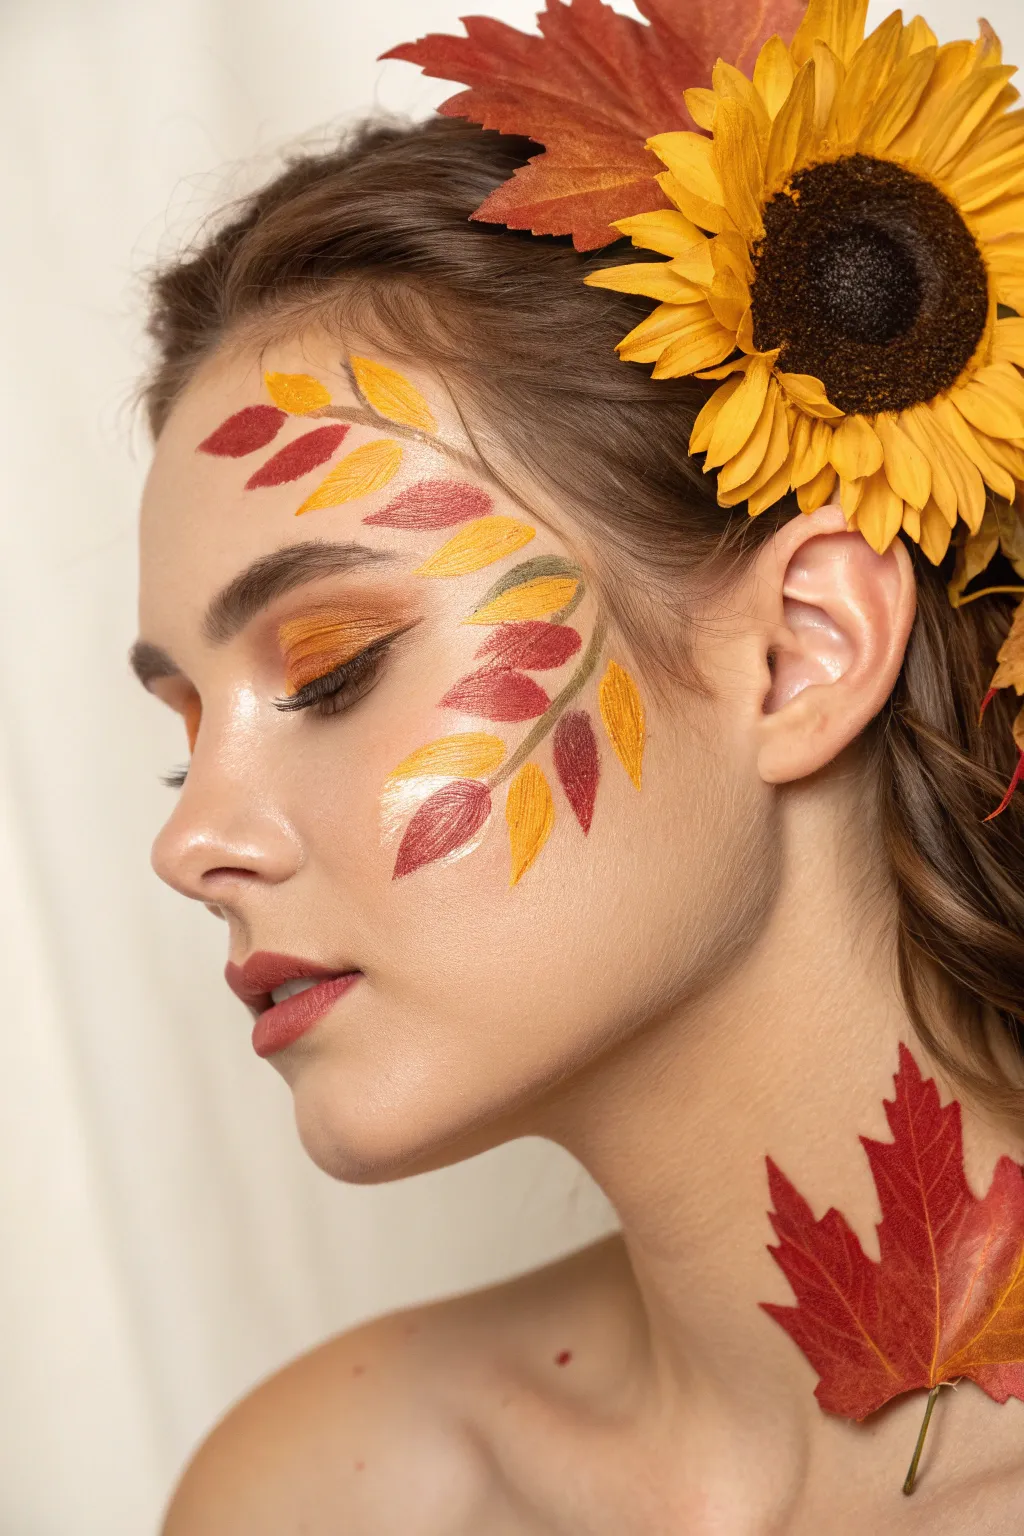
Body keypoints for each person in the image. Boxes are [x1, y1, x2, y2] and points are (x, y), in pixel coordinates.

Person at [136, 1, 1024, 1529]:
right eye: (180, 738)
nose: (195, 842)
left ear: (801, 648)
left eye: (332, 667)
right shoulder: (334, 1496)